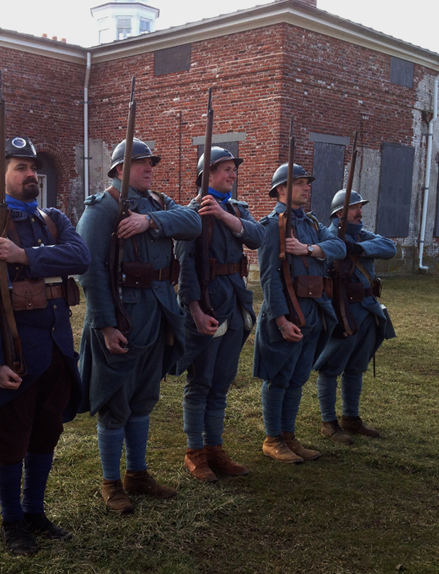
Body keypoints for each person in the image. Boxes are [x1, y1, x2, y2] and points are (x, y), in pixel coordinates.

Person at [0, 137, 90, 556]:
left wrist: (25, 255)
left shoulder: (52, 220)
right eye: (20, 167)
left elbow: (80, 256)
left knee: (46, 431)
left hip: (56, 347)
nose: (30, 174)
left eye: (33, 167)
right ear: (0, 174)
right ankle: (12, 520)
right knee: (14, 436)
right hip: (18, 352)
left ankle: (35, 511)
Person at [77, 138, 201, 513]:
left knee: (143, 399)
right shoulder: (102, 210)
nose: (149, 168)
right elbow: (90, 269)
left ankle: (137, 473)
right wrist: (105, 325)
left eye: (151, 162)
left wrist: (149, 220)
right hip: (122, 317)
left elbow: (192, 222)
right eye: (140, 162)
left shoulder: (159, 205)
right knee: (115, 400)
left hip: (158, 313)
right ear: (118, 169)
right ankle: (111, 482)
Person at [173, 147, 265, 482]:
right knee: (201, 382)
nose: (232, 174)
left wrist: (226, 216)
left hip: (235, 301)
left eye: (233, 169)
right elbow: (184, 267)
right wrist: (195, 309)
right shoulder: (190, 213)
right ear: (207, 175)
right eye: (225, 169)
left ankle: (215, 448)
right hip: (207, 304)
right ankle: (195, 451)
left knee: (222, 382)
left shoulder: (237, 210)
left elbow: (258, 238)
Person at [253, 163, 346, 464]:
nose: (307, 188)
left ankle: (289, 436)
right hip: (287, 311)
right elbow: (269, 278)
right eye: (300, 183)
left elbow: (338, 247)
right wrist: (280, 320)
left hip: (313, 309)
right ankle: (272, 438)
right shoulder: (271, 226)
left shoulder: (311, 224)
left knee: (297, 379)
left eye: (307, 183)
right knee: (279, 377)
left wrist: (307, 249)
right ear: (281, 189)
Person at [314, 190, 397, 443]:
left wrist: (356, 247)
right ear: (339, 212)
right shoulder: (328, 234)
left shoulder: (361, 234)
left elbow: (389, 247)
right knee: (330, 368)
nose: (359, 212)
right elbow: (328, 254)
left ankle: (351, 417)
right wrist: (341, 246)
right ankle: (328, 421)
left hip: (368, 309)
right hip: (343, 309)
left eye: (360, 207)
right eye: (354, 208)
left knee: (356, 367)